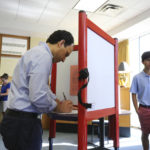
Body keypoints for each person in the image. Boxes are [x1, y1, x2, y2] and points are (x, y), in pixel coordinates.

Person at [0, 30, 75, 150]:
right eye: (66, 54)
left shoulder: (37, 53)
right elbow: (37, 96)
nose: (64, 60)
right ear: (61, 43)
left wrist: (56, 100)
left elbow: (42, 87)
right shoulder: (43, 56)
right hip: (23, 124)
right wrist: (58, 107)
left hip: (16, 121)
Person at [130, 51, 150, 150]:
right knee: (145, 133)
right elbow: (133, 94)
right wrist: (137, 110)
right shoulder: (137, 77)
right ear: (143, 62)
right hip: (144, 109)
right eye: (148, 60)